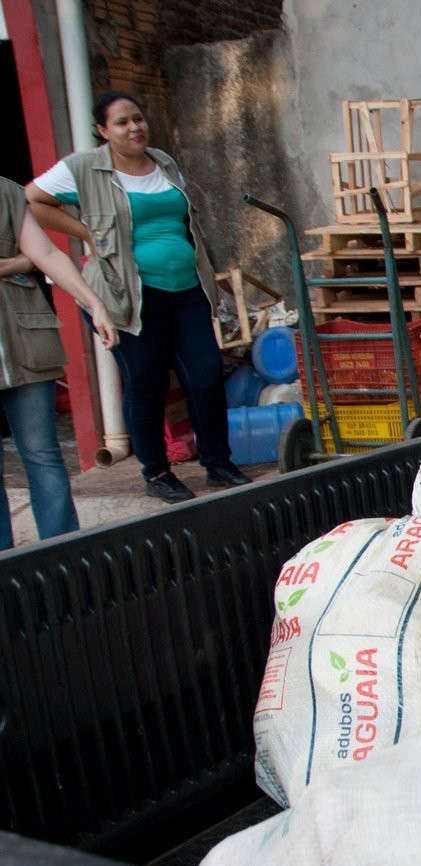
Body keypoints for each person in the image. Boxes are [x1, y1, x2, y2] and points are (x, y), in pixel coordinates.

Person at [26, 90, 250, 503]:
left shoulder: (163, 162)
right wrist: (88, 233)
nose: (134, 128)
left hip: (187, 289)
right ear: (102, 131)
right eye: (122, 122)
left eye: (138, 118)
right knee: (145, 381)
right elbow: (33, 200)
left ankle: (218, 463)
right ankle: (157, 472)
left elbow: (187, 225)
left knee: (204, 376)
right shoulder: (85, 168)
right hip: (127, 295)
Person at [0, 176, 118, 549]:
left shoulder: (5, 191)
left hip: (26, 341)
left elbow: (47, 254)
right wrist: (18, 262)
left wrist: (93, 302)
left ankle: (62, 558)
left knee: (42, 455)